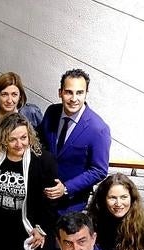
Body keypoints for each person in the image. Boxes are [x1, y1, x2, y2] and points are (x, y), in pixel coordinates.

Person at [0, 113, 58, 250]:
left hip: (28, 229)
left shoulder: (44, 160)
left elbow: (50, 202)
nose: (19, 144)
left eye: (23, 137)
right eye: (12, 139)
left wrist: (41, 229)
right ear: (3, 139)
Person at [37, 68, 111, 216]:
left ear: (86, 93)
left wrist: (66, 188)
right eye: (69, 92)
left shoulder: (98, 128)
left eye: (79, 93)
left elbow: (99, 170)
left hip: (71, 205)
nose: (74, 98)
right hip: (42, 198)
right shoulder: (52, 111)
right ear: (60, 92)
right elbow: (39, 143)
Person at [0, 72, 43, 147]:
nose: (9, 100)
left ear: (20, 96)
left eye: (14, 94)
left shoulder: (31, 112)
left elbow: (43, 142)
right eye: (4, 94)